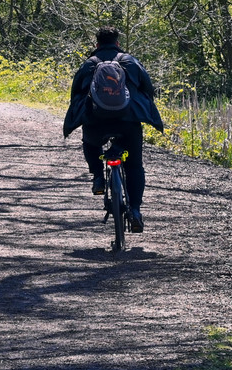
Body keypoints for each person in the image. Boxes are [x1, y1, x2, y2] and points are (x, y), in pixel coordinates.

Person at [62, 27, 163, 233]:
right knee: (134, 166)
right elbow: (149, 89)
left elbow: (75, 95)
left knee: (90, 142)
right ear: (117, 43)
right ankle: (135, 211)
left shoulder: (89, 64)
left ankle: (98, 176)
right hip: (128, 122)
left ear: (97, 44)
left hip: (97, 122)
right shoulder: (130, 61)